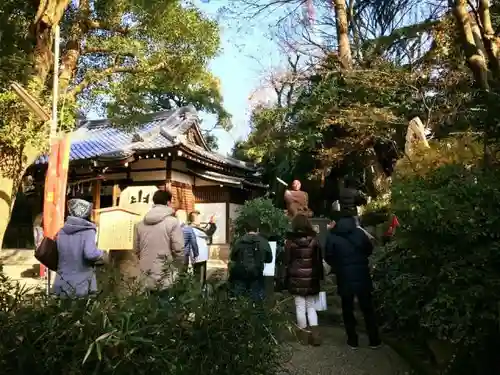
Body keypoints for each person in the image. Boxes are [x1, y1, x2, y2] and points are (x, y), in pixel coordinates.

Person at [324, 217, 381, 349]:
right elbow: (369, 249)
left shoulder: (332, 236)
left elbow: (328, 256)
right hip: (362, 274)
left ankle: (352, 340)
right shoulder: (360, 233)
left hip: (344, 276)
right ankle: (374, 339)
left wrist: (338, 266)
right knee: (367, 308)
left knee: (347, 309)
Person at [52, 198, 105, 297]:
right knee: (80, 310)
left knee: (64, 310)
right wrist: (102, 253)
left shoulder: (62, 231)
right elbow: (90, 254)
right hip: (82, 283)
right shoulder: (88, 231)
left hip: (62, 281)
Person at [284, 214, 324, 346]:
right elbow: (318, 261)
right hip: (311, 277)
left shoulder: (290, 241)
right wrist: (320, 277)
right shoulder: (314, 240)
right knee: (311, 307)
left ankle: (304, 338)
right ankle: (316, 337)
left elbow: (286, 260)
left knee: (300, 307)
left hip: (296, 278)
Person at [134, 190, 184, 291]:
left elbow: (136, 249)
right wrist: (178, 266)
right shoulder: (173, 222)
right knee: (164, 303)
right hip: (165, 272)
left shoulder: (139, 225)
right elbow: (178, 249)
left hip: (145, 272)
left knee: (147, 304)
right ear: (168, 203)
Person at [228, 218, 273, 302]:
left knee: (238, 301)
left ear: (245, 229)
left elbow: (232, 257)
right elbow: (269, 259)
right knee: (256, 301)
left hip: (240, 276)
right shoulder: (264, 242)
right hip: (256, 275)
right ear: (258, 229)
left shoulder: (239, 241)